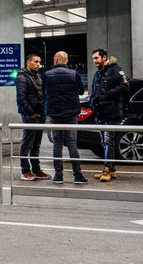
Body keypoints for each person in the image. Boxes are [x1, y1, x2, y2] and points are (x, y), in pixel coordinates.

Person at [43, 51, 87, 184]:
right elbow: (81, 91)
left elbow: (43, 91)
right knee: (72, 143)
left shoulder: (47, 75)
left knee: (57, 144)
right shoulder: (74, 74)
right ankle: (77, 175)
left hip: (54, 113)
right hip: (71, 113)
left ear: (55, 61)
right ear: (66, 61)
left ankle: (58, 175)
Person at [90, 48, 130, 182]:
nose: (94, 61)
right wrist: (93, 100)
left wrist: (107, 95)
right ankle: (111, 169)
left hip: (111, 112)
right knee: (104, 142)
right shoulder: (98, 73)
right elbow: (94, 90)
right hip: (100, 112)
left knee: (109, 141)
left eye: (96, 58)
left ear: (104, 57)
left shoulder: (116, 70)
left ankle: (107, 169)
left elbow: (125, 87)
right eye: (93, 58)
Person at [16, 54, 51, 181]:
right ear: (28, 62)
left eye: (39, 62)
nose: (38, 64)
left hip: (40, 114)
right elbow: (21, 98)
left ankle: (36, 169)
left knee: (36, 144)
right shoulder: (22, 78)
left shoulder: (38, 76)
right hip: (30, 116)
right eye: (35, 62)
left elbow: (41, 94)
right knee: (27, 143)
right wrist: (30, 113)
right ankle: (25, 170)